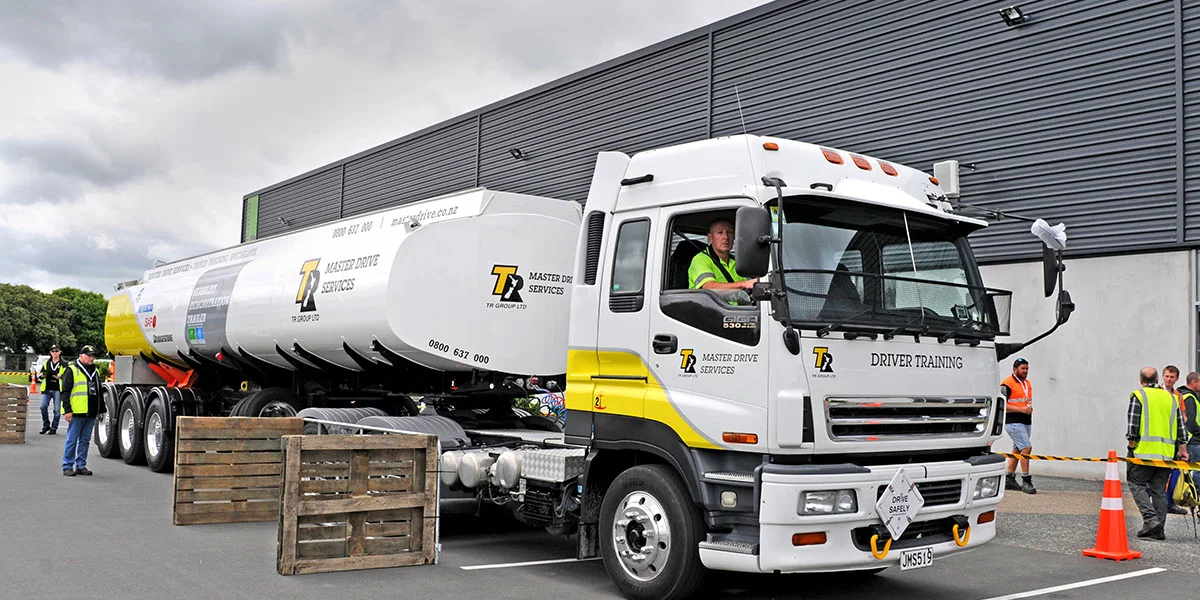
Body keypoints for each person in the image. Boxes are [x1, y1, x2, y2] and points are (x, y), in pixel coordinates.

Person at [1126, 366, 1189, 540]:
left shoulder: (1139, 395)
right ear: (1157, 380)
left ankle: (1150, 520)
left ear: (1141, 381)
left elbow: (1133, 425)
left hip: (1143, 453)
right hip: (1166, 454)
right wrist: (1182, 449)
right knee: (1159, 490)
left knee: (1136, 483)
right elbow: (1181, 427)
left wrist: (1131, 445)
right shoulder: (1171, 398)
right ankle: (1159, 529)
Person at [60, 345, 106, 477]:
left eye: (93, 356)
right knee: (72, 439)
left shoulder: (94, 372)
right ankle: (67, 466)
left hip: (91, 412)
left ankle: (81, 465)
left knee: (85, 440)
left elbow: (98, 392)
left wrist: (101, 409)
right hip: (77, 412)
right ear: (81, 356)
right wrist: (67, 410)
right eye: (89, 355)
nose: (91, 358)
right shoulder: (72, 370)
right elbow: (65, 392)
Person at [687, 218, 757, 301]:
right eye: (720, 233)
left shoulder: (737, 262)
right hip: (711, 312)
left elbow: (748, 291)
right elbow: (709, 288)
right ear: (710, 237)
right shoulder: (701, 259)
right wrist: (744, 284)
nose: (726, 237)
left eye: (730, 232)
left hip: (737, 311)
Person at [1001, 358, 1036, 494]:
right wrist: (1021, 410)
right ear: (1015, 369)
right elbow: (1002, 404)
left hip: (1026, 421)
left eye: (1027, 369)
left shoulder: (1027, 383)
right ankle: (1026, 480)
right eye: (1023, 368)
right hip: (1013, 422)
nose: (1026, 371)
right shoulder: (1007, 384)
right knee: (1026, 448)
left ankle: (1009, 478)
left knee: (1017, 450)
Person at [1163, 365, 1189, 514]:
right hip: (1160, 440)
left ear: (1177, 379)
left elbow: (1183, 417)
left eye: (1172, 377)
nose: (1169, 379)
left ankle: (1169, 502)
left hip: (1173, 440)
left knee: (1175, 470)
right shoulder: (1159, 392)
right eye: (1167, 376)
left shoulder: (1178, 396)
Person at [38, 345, 66, 435]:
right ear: (50, 352)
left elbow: (67, 375)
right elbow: (42, 372)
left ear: (60, 352)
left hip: (58, 388)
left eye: (56, 351)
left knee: (57, 411)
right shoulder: (47, 362)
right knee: (43, 406)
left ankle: (54, 427)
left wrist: (61, 376)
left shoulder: (64, 363)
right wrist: (43, 375)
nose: (54, 353)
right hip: (47, 388)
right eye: (52, 351)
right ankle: (46, 425)